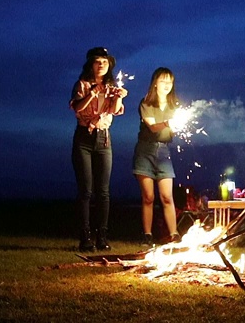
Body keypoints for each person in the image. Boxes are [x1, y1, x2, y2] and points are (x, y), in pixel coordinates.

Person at [69, 47, 128, 252]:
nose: (101, 64)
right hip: (84, 137)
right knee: (85, 190)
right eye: (97, 61)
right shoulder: (83, 85)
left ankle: (102, 236)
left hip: (103, 139)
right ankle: (85, 237)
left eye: (104, 61)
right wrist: (93, 93)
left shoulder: (111, 87)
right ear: (90, 64)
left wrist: (120, 96)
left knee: (103, 191)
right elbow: (77, 108)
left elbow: (113, 110)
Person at [132, 67, 182, 246]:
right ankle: (147, 235)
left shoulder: (174, 105)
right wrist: (169, 123)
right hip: (145, 151)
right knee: (148, 197)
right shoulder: (146, 103)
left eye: (170, 81)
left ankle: (174, 235)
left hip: (163, 151)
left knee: (167, 196)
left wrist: (177, 126)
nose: (167, 85)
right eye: (163, 81)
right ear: (155, 83)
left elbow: (174, 131)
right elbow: (153, 127)